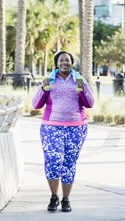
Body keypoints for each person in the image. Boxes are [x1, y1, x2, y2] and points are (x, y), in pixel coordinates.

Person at [32, 51, 94, 212]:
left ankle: (66, 199)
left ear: (71, 63)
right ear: (57, 63)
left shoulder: (79, 79)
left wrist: (83, 91)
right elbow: (36, 105)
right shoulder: (49, 80)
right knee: (53, 160)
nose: (64, 62)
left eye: (67, 60)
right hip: (51, 126)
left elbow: (90, 104)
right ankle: (54, 197)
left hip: (76, 127)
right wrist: (43, 89)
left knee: (69, 163)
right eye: (61, 60)